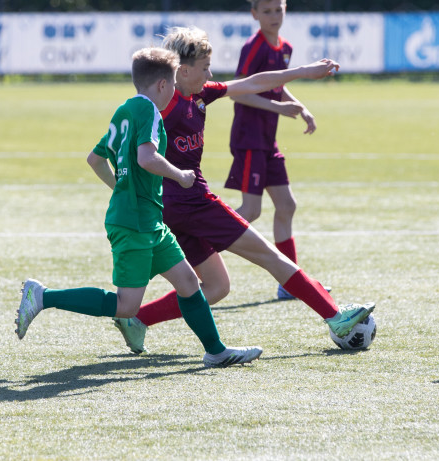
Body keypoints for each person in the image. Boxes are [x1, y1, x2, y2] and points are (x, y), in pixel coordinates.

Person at [111, 26, 374, 355]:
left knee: (218, 286)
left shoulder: (198, 94)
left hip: (175, 208)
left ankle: (137, 320)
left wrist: (304, 71)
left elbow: (252, 83)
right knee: (270, 256)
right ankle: (336, 317)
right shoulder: (164, 106)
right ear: (183, 71)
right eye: (206, 67)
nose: (211, 74)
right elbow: (138, 149)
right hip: (192, 202)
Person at [15, 47, 263, 368]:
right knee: (127, 306)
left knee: (188, 283)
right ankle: (43, 297)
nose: (174, 91)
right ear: (162, 84)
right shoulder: (148, 111)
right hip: (134, 223)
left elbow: (95, 158)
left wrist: (122, 188)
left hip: (149, 220)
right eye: (173, 84)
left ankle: (216, 351)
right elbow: (147, 158)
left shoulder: (126, 109)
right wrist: (179, 174)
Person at [225, 0, 317, 300]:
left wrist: (301, 108)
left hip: (268, 140)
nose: (274, 15)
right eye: (267, 11)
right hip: (249, 139)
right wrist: (278, 106)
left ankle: (288, 282)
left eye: (279, 9)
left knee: (287, 205)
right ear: (254, 14)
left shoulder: (285, 48)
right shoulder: (254, 47)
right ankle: (201, 240)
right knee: (250, 211)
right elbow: (240, 91)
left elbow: (277, 83)